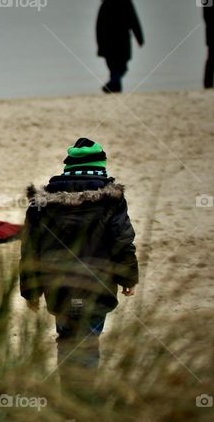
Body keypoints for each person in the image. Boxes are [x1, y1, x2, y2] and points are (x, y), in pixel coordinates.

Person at [19, 138, 139, 382]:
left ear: (68, 168)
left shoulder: (42, 203)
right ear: (101, 168)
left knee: (67, 340)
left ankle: (71, 404)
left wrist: (31, 290)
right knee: (88, 341)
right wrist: (128, 278)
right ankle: (83, 403)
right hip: (97, 286)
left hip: (58, 288)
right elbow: (122, 241)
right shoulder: (111, 200)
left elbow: (31, 248)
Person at [96, 0, 144, 93]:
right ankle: (113, 86)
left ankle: (113, 87)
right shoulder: (127, 3)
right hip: (123, 42)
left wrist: (100, 45)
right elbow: (134, 22)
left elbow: (99, 27)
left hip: (108, 43)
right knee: (122, 67)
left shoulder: (105, 4)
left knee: (113, 68)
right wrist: (140, 39)